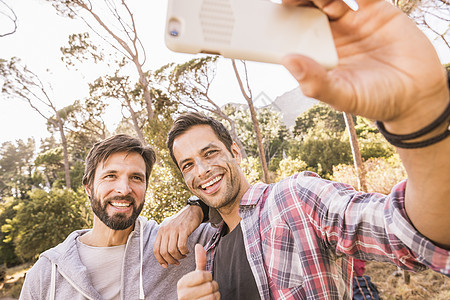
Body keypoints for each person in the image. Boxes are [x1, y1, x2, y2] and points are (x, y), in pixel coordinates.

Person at [164, 0, 450, 298]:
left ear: (235, 152)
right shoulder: (206, 254)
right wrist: (193, 209)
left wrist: (419, 117)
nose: (202, 170)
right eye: (188, 165)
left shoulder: (294, 199)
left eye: (210, 153)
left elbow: (409, 233)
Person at [19, 134, 215, 299]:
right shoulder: (45, 275)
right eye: (110, 176)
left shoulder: (183, 242)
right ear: (88, 187)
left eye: (136, 178)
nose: (124, 189)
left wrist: (198, 207)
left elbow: (240, 205)